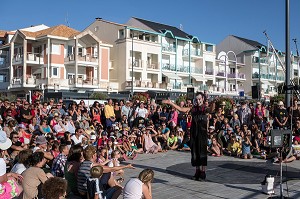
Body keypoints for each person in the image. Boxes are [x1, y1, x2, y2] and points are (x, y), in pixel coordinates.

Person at [163, 92, 209, 181]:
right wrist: (171, 103)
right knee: (195, 152)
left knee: (202, 152)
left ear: (203, 99)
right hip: (194, 133)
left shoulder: (204, 108)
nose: (198, 101)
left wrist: (212, 102)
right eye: (197, 99)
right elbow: (181, 109)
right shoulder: (193, 109)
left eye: (200, 99)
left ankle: (203, 171)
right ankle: (197, 171)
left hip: (202, 133)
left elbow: (211, 109)